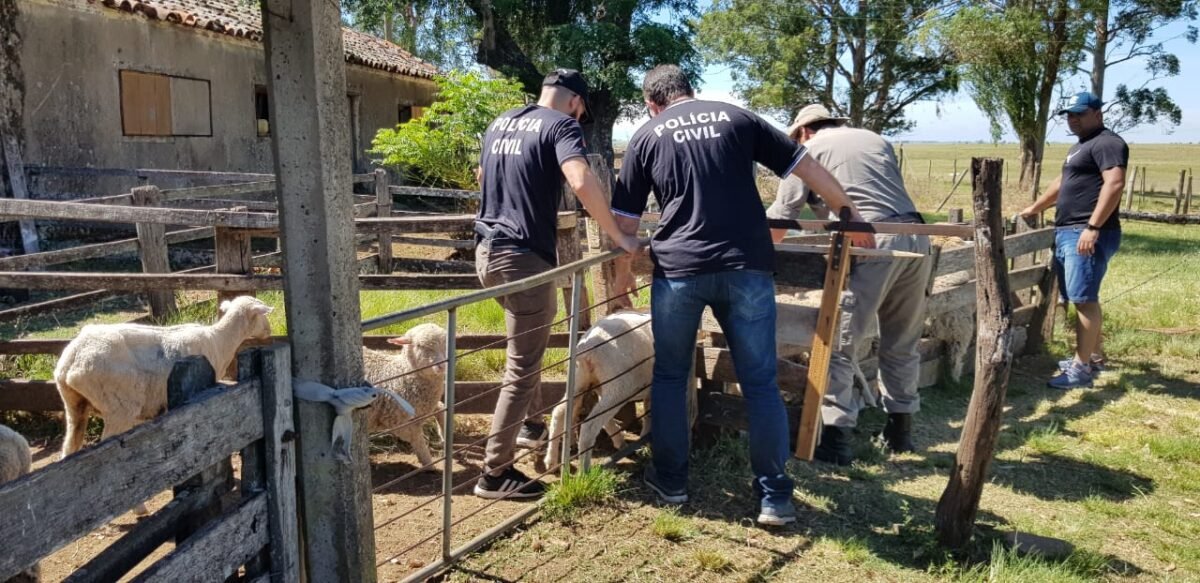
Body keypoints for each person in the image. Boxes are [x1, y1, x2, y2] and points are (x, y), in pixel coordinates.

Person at [609, 65, 873, 526]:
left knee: (671, 376)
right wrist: (848, 212)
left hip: (679, 270)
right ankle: (774, 497)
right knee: (760, 382)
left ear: (654, 102)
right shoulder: (737, 117)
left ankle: (670, 481)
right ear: (691, 91)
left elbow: (626, 224)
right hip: (746, 266)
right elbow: (806, 164)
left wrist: (621, 276)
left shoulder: (647, 136)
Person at [473, 69, 641, 499]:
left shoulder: (501, 122)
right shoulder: (562, 125)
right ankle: (495, 474)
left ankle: (529, 429)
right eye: (582, 112)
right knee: (522, 367)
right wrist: (618, 236)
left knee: (520, 349)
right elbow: (581, 180)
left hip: (486, 251)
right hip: (523, 255)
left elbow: (481, 176)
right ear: (576, 103)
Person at [765, 104, 933, 466]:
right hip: (917, 236)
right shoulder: (874, 139)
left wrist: (755, 254)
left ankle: (836, 438)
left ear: (803, 132)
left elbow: (782, 216)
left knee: (841, 339)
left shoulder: (807, 151)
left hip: (870, 242)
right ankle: (900, 430)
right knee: (902, 339)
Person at [1020, 91, 1127, 390]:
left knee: (1083, 299)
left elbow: (1115, 182)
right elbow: (1062, 183)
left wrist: (1093, 227)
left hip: (1086, 231)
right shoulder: (1080, 147)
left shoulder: (1108, 142)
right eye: (1069, 114)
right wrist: (1035, 208)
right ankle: (1093, 358)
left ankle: (1081, 371)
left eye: (1079, 113)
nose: (1073, 119)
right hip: (1069, 230)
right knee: (1079, 297)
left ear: (1098, 113)